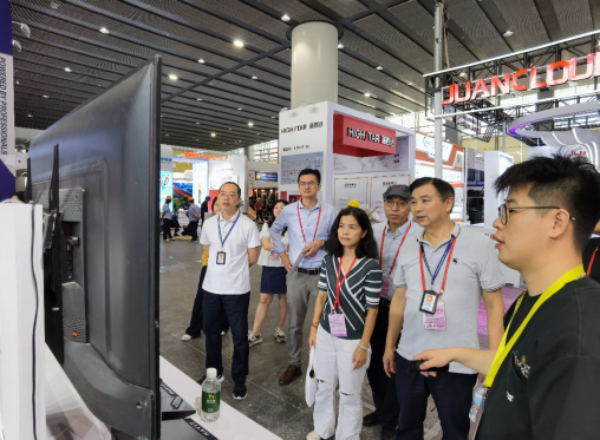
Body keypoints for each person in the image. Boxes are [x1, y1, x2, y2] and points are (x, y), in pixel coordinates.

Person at [413, 156, 600, 440]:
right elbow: (519, 365)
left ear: (557, 222)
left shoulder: (579, 336)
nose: (497, 222)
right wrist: (455, 354)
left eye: (509, 210)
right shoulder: (535, 298)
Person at [384, 177, 505, 440]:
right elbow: (399, 299)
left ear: (448, 203)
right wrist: (390, 345)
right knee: (407, 426)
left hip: (457, 361)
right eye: (413, 201)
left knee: (455, 430)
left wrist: (492, 359)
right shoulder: (408, 245)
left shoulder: (478, 244)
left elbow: (494, 304)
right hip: (410, 354)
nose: (417, 208)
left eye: (425, 200)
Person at [306, 207, 382, 440]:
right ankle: (323, 428)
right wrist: (314, 327)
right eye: (341, 226)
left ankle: (347, 436)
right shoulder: (329, 260)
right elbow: (322, 296)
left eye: (352, 227)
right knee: (324, 384)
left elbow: (372, 310)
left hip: (353, 339)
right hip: (326, 333)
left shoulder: (370, 267)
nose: (345, 232)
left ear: (364, 232)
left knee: (349, 393)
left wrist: (363, 345)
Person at [270, 169, 337, 385]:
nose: (306, 186)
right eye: (302, 183)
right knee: (295, 323)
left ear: (319, 186)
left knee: (325, 321)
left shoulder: (329, 211)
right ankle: (294, 364)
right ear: (299, 186)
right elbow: (274, 231)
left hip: (322, 274)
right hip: (297, 274)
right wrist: (282, 254)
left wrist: (322, 242)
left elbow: (338, 237)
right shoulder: (289, 211)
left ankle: (323, 365)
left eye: (311, 183)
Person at [366, 185, 420, 440]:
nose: (395, 208)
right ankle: (381, 409)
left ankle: (391, 417)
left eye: (401, 203)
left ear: (410, 206)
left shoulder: (419, 233)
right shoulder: (374, 231)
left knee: (395, 363)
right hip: (374, 305)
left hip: (402, 307)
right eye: (390, 203)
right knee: (375, 362)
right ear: (384, 205)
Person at [198, 182, 261, 400]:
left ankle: (239, 380)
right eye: (222, 194)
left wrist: (234, 269)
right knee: (211, 332)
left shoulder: (248, 225)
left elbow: (253, 257)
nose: (226, 198)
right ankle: (214, 372)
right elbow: (208, 250)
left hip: (237, 289)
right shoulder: (209, 223)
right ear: (217, 198)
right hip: (211, 288)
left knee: (240, 336)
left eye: (231, 195)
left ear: (238, 200)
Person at [182, 198, 225, 341]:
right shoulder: (208, 223)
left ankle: (223, 326)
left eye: (222, 204)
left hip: (227, 267)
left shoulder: (233, 224)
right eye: (216, 204)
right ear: (212, 207)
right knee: (201, 297)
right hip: (209, 265)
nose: (219, 207)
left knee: (224, 297)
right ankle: (194, 329)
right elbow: (207, 248)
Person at [248, 199, 290, 346]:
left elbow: (296, 246)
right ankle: (256, 333)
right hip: (270, 267)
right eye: (276, 207)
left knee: (284, 300)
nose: (279, 210)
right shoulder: (267, 226)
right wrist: (286, 247)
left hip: (287, 267)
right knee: (264, 299)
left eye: (282, 207)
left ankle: (279, 329)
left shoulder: (293, 228)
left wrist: (278, 246)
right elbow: (266, 245)